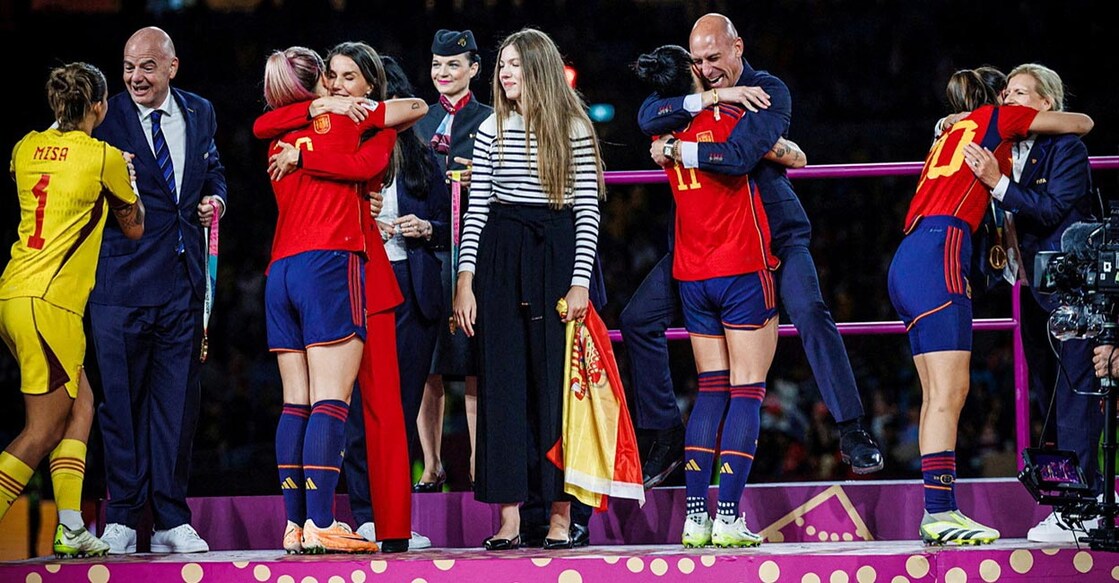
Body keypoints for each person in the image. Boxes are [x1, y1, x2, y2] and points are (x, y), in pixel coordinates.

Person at [631, 13, 881, 489]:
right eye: (698, 61)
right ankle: (664, 433)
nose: (706, 68)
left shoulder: (769, 90)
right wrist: (713, 97)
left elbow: (741, 156)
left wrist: (679, 149)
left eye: (714, 59)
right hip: (704, 242)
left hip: (775, 233)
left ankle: (851, 429)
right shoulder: (697, 92)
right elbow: (646, 116)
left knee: (809, 310)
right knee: (638, 319)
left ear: (738, 47)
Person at [887, 68, 1093, 545]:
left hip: (908, 256)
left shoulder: (959, 127)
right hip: (941, 253)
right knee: (949, 393)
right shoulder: (997, 121)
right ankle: (940, 512)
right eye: (1007, 94)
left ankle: (938, 510)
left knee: (934, 393)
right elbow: (1081, 123)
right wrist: (1008, 115)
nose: (1010, 100)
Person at [256, 42, 429, 553]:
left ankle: (298, 523)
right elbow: (396, 127)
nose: (337, 86)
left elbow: (264, 129)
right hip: (335, 267)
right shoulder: (347, 124)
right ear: (316, 84)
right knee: (334, 402)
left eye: (347, 78)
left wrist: (306, 144)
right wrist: (331, 118)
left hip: (281, 270)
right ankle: (324, 522)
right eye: (330, 77)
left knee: (297, 403)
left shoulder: (283, 134)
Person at [634, 44, 798, 548]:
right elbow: (762, 153)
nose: (707, 71)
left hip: (692, 275)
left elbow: (648, 116)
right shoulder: (731, 114)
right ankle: (728, 516)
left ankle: (696, 517)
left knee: (710, 391)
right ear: (691, 75)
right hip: (742, 267)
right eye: (698, 66)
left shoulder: (663, 133)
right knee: (748, 390)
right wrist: (786, 149)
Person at [453, 28, 605, 551]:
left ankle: (561, 518)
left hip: (555, 255)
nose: (505, 73)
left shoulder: (574, 127)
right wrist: (465, 279)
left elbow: (587, 209)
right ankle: (511, 519)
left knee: (555, 390)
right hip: (501, 255)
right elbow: (478, 209)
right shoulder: (491, 126)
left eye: (514, 64)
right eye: (501, 66)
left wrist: (580, 282)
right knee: (502, 386)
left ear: (537, 67)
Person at [90, 26, 225, 555]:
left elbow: (213, 171)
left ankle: (170, 516)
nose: (135, 77)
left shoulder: (201, 112)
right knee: (120, 408)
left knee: (176, 407)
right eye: (128, 66)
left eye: (147, 66)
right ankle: (122, 516)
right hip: (119, 285)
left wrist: (216, 199)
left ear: (172, 67)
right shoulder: (106, 117)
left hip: (182, 285)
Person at [0, 62, 144, 559]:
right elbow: (134, 226)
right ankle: (65, 527)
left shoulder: (25, 147)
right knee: (41, 431)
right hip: (51, 304)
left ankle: (69, 528)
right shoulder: (102, 156)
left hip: (15, 293)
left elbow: (43, 180)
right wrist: (126, 176)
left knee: (81, 406)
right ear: (99, 106)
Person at [964, 63, 1101, 543]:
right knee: (1048, 398)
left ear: (1046, 105)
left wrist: (997, 183)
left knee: (1076, 396)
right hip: (1032, 290)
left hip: (1074, 289)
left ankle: (1086, 508)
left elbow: (1049, 210)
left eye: (1022, 93)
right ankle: (1070, 502)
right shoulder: (1001, 145)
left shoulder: (1066, 149)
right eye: (1006, 92)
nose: (1009, 99)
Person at [414, 28, 491, 494]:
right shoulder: (418, 121)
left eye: (454, 65)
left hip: (473, 257)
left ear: (474, 69)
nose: (444, 73)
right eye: (438, 65)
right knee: (429, 366)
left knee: (475, 365)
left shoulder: (491, 120)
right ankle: (432, 464)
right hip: (426, 254)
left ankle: (483, 465)